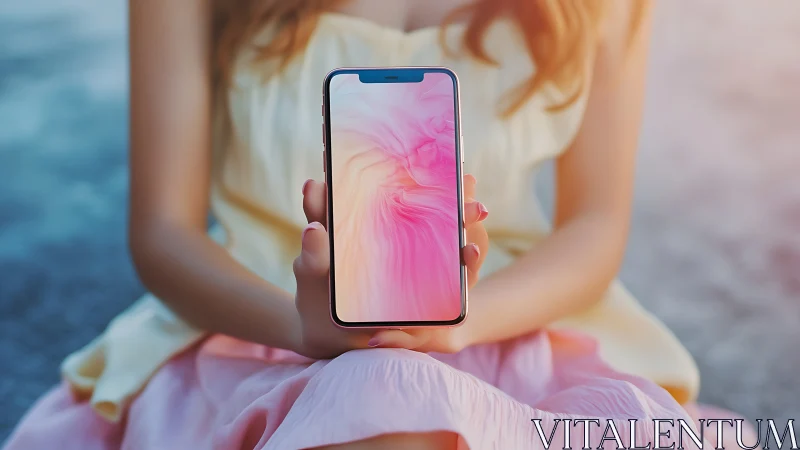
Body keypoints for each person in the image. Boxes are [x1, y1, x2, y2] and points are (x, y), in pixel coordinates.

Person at [4, 0, 757, 449]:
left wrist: (458, 323)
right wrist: (304, 328)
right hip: (250, 319)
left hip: (508, 321)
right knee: (381, 407)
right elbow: (162, 232)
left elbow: (595, 226)